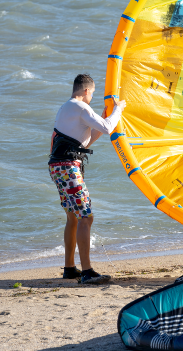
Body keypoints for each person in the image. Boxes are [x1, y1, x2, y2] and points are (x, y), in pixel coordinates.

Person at [48, 74, 125, 284]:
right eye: (92, 93)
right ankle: (87, 271)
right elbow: (109, 128)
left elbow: (85, 143)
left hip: (58, 166)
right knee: (86, 216)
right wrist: (119, 108)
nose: (91, 97)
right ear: (86, 91)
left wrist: (100, 119)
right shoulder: (81, 108)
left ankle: (70, 268)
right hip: (67, 168)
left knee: (73, 217)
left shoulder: (65, 108)